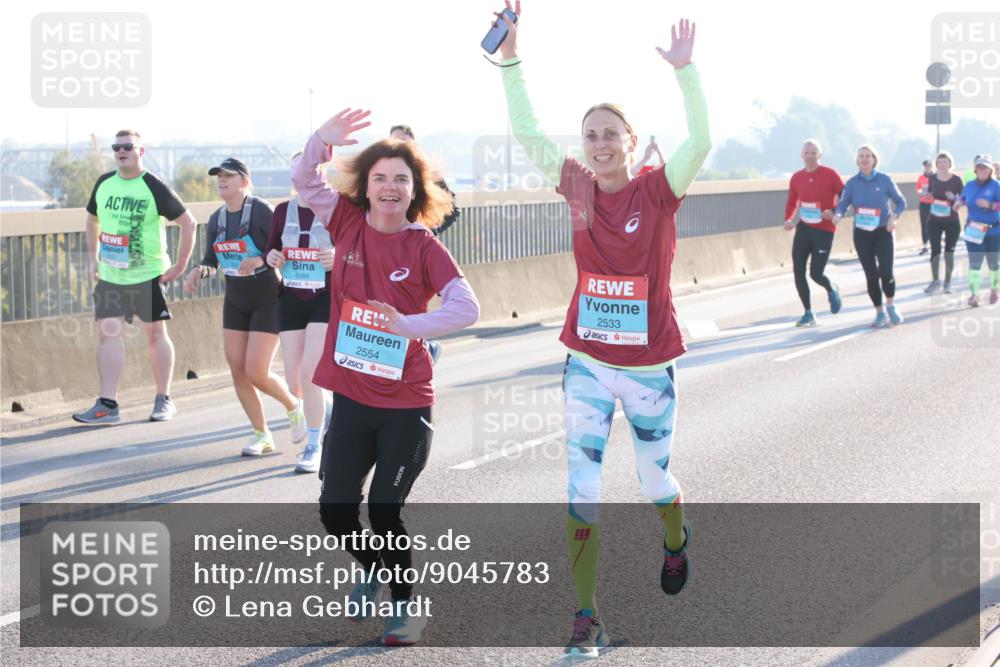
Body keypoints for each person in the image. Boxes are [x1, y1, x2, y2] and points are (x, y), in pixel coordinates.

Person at [494, 3, 710, 658]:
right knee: (581, 484)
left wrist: (686, 72)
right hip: (587, 361)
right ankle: (587, 616)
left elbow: (700, 142)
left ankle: (675, 538)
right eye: (590, 134)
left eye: (611, 132)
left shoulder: (658, 190)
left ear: (630, 138)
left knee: (653, 482)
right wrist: (511, 58)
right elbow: (527, 131)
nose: (599, 142)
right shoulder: (577, 188)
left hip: (648, 366)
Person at [294, 110, 480, 646]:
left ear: (414, 189)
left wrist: (408, 326)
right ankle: (375, 567)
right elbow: (306, 181)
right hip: (352, 396)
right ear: (366, 187)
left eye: (401, 178)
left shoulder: (424, 246)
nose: (390, 187)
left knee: (383, 509)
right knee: (334, 511)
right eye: (380, 178)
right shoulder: (346, 224)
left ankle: (405, 606)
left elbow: (466, 307)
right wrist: (321, 141)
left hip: (405, 403)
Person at [72, 129, 196, 424]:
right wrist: (93, 258)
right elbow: (91, 219)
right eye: (116, 147)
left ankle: (163, 399)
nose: (121, 151)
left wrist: (178, 266)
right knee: (108, 334)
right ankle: (107, 405)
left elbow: (188, 223)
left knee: (154, 335)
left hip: (148, 274)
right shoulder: (104, 183)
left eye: (128, 146)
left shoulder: (153, 186)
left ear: (141, 151)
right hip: (112, 275)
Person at [183, 158, 305, 456]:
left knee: (256, 371)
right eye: (218, 176)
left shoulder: (262, 211)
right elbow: (212, 259)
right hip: (236, 300)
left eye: (228, 176)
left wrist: (262, 259)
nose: (221, 180)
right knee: (237, 369)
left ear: (245, 182)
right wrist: (201, 270)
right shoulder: (216, 219)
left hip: (268, 297)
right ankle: (262, 435)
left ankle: (294, 406)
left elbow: (283, 247)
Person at [265, 153, 334, 474]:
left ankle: (314, 444)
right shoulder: (282, 211)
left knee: (310, 372)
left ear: (320, 174)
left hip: (325, 298)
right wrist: (273, 256)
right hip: (290, 297)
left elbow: (358, 248)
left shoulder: (337, 208)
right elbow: (270, 249)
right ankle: (327, 408)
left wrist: (338, 256)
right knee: (294, 379)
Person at [388, 124, 463, 365]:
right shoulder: (384, 171)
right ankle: (418, 350)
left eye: (403, 141)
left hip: (416, 251)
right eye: (394, 141)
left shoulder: (428, 174)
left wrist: (428, 231)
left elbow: (452, 209)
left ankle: (422, 350)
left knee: (411, 304)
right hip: (390, 249)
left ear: (414, 144)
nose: (398, 145)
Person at [834, 145, 906, 328]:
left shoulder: (884, 180)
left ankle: (890, 305)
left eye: (868, 156)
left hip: (883, 231)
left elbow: (901, 202)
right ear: (857, 161)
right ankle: (879, 312)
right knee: (871, 275)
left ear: (874, 159)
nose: (864, 159)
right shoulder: (852, 183)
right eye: (861, 156)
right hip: (862, 234)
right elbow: (843, 204)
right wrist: (838, 214)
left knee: (886, 272)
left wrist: (894, 217)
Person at [782, 138, 844, 326]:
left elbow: (845, 196)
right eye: (807, 153)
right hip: (804, 228)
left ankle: (831, 287)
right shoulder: (797, 177)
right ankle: (808, 312)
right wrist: (788, 219)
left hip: (824, 230)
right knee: (798, 271)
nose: (810, 156)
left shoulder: (830, 174)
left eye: (813, 153)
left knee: (816, 273)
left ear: (819, 155)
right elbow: (792, 201)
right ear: (802, 155)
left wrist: (834, 212)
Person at [953, 155, 1000, 307]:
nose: (982, 170)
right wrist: (958, 204)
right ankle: (974, 295)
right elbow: (964, 199)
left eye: (985, 168)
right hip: (973, 230)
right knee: (975, 264)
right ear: (975, 170)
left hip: (994, 231)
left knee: (993, 263)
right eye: (979, 168)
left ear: (990, 170)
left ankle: (994, 289)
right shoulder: (969, 185)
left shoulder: (996, 185)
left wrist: (991, 205)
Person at [922, 151, 963, 295]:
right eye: (940, 162)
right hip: (934, 219)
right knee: (935, 249)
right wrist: (928, 195)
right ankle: (935, 281)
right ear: (936, 164)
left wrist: (954, 199)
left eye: (945, 162)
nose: (942, 164)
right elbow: (930, 193)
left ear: (950, 164)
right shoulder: (932, 178)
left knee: (949, 251)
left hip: (951, 220)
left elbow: (962, 200)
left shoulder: (957, 180)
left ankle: (947, 282)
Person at [916, 159, 934, 255]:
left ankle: (933, 244)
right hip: (923, 203)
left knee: (932, 224)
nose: (927, 167)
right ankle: (925, 246)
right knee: (924, 224)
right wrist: (919, 192)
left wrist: (931, 193)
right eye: (925, 166)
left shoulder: (935, 177)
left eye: (929, 165)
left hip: (933, 203)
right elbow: (918, 188)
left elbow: (937, 189)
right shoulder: (921, 177)